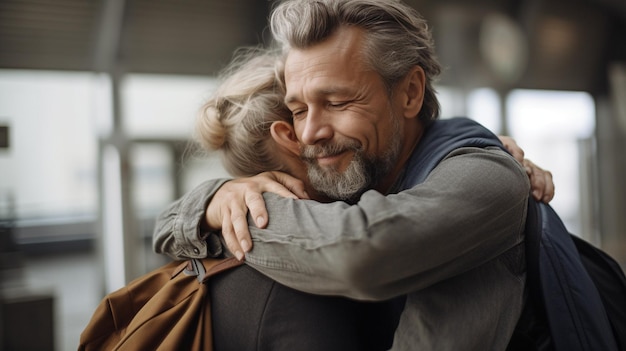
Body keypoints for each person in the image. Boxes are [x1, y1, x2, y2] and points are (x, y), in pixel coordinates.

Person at [154, 1, 555, 349]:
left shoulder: (484, 174)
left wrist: (221, 214)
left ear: (411, 93)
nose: (309, 133)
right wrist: (216, 199)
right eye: (298, 110)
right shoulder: (365, 179)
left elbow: (358, 253)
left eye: (338, 101)